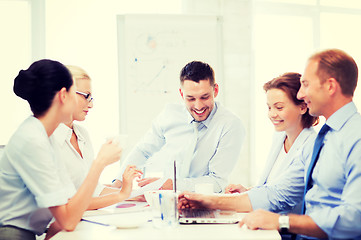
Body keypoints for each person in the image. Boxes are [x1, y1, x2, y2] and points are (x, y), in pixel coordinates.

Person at [240, 49, 361, 239]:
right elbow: (280, 192)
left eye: (305, 84)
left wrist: (281, 222)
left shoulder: (356, 138)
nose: (300, 93)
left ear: (330, 86)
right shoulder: (327, 136)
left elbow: (355, 219)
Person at [0, 59, 121, 240]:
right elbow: (68, 220)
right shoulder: (32, 140)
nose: (90, 104)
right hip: (13, 234)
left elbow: (68, 208)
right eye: (77, 93)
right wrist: (100, 163)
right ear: (64, 95)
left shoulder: (44, 135)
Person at [178, 72, 318, 213]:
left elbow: (280, 196)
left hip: (287, 228)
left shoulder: (311, 146)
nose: (272, 114)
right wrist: (248, 191)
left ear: (302, 107)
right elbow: (272, 186)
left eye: (279, 107)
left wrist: (211, 201)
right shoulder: (280, 137)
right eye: (269, 108)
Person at [111, 61, 245, 193]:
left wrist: (172, 184)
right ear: (181, 94)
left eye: (204, 97)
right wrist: (119, 181)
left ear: (215, 90)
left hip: (206, 203)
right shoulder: (170, 114)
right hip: (167, 200)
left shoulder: (231, 125)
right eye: (191, 99)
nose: (198, 106)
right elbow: (143, 150)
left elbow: (217, 182)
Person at [50, 65, 142, 211]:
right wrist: (122, 194)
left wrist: (135, 194)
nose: (91, 104)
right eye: (86, 96)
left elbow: (92, 190)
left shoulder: (81, 134)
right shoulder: (47, 139)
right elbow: (68, 205)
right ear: (64, 94)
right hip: (51, 226)